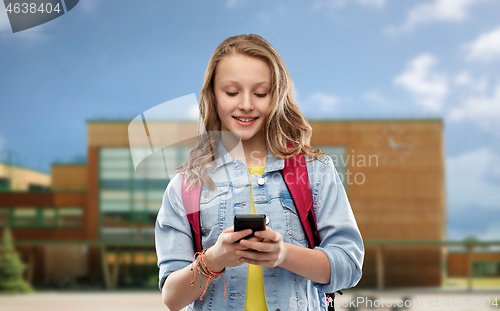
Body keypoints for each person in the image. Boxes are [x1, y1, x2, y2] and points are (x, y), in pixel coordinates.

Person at [155, 33, 364, 311]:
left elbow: (349, 266)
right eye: (231, 92)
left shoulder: (316, 171)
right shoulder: (185, 186)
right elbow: (172, 298)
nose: (246, 104)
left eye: (260, 93)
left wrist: (283, 254)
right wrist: (214, 259)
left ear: (276, 96)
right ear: (213, 96)